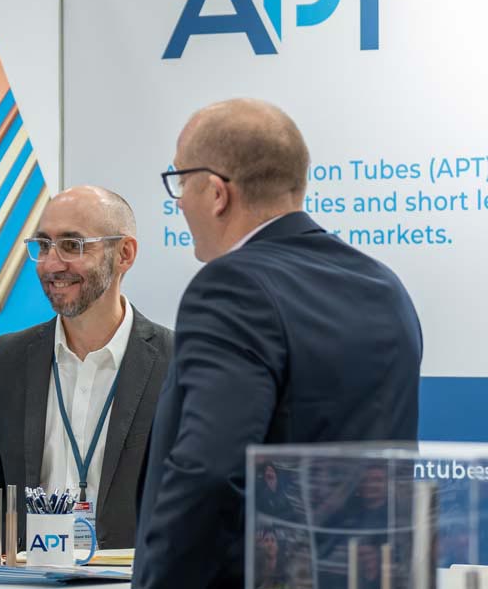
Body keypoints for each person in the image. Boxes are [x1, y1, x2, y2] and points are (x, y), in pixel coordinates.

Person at [134, 99, 422, 589]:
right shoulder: (385, 287)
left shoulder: (231, 286)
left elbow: (209, 471)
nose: (178, 203)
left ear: (217, 193)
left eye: (180, 183)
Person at [0, 186, 173, 555]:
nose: (51, 264)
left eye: (72, 245)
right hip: (22, 579)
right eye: (43, 245)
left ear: (125, 254)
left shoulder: (177, 362)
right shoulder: (2, 361)